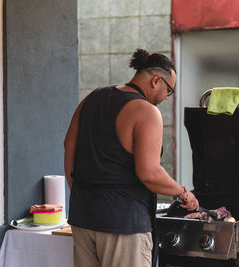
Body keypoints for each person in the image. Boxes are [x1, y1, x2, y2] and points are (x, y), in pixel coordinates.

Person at [64, 48, 199, 267]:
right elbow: (149, 173)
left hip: (83, 218)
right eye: (169, 91)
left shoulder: (91, 98)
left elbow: (69, 146)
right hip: (123, 225)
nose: (166, 97)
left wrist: (80, 193)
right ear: (156, 81)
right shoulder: (146, 111)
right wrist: (183, 192)